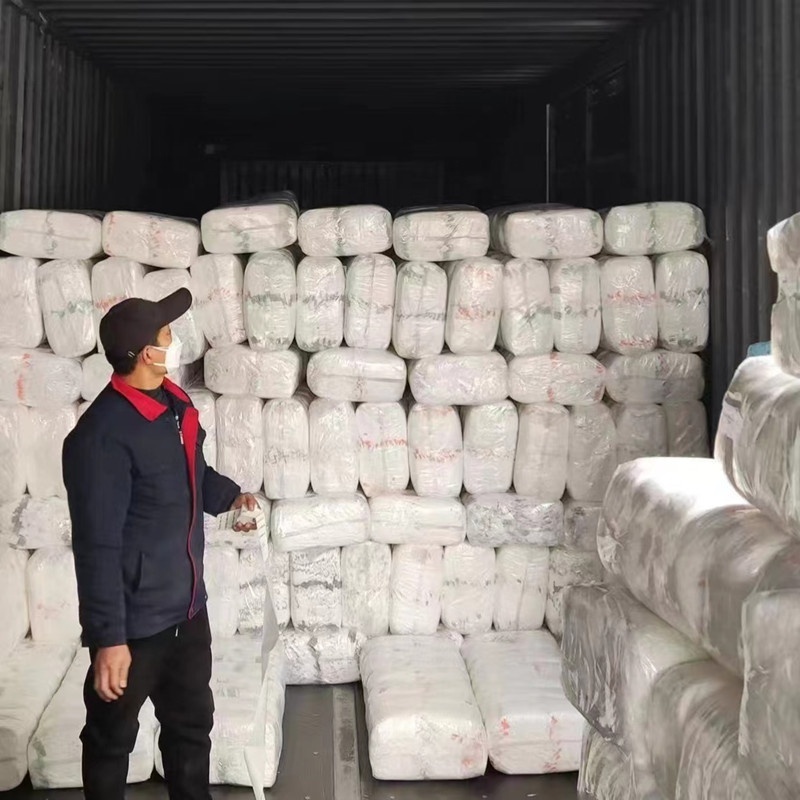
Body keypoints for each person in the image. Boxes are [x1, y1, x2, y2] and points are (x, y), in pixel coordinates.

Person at [62, 288, 257, 800]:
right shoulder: (100, 438)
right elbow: (96, 547)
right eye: (168, 333)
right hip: (135, 625)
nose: (175, 340)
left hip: (188, 611)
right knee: (110, 740)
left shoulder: (175, 405)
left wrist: (232, 498)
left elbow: (193, 476)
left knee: (192, 727)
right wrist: (109, 639)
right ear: (148, 353)